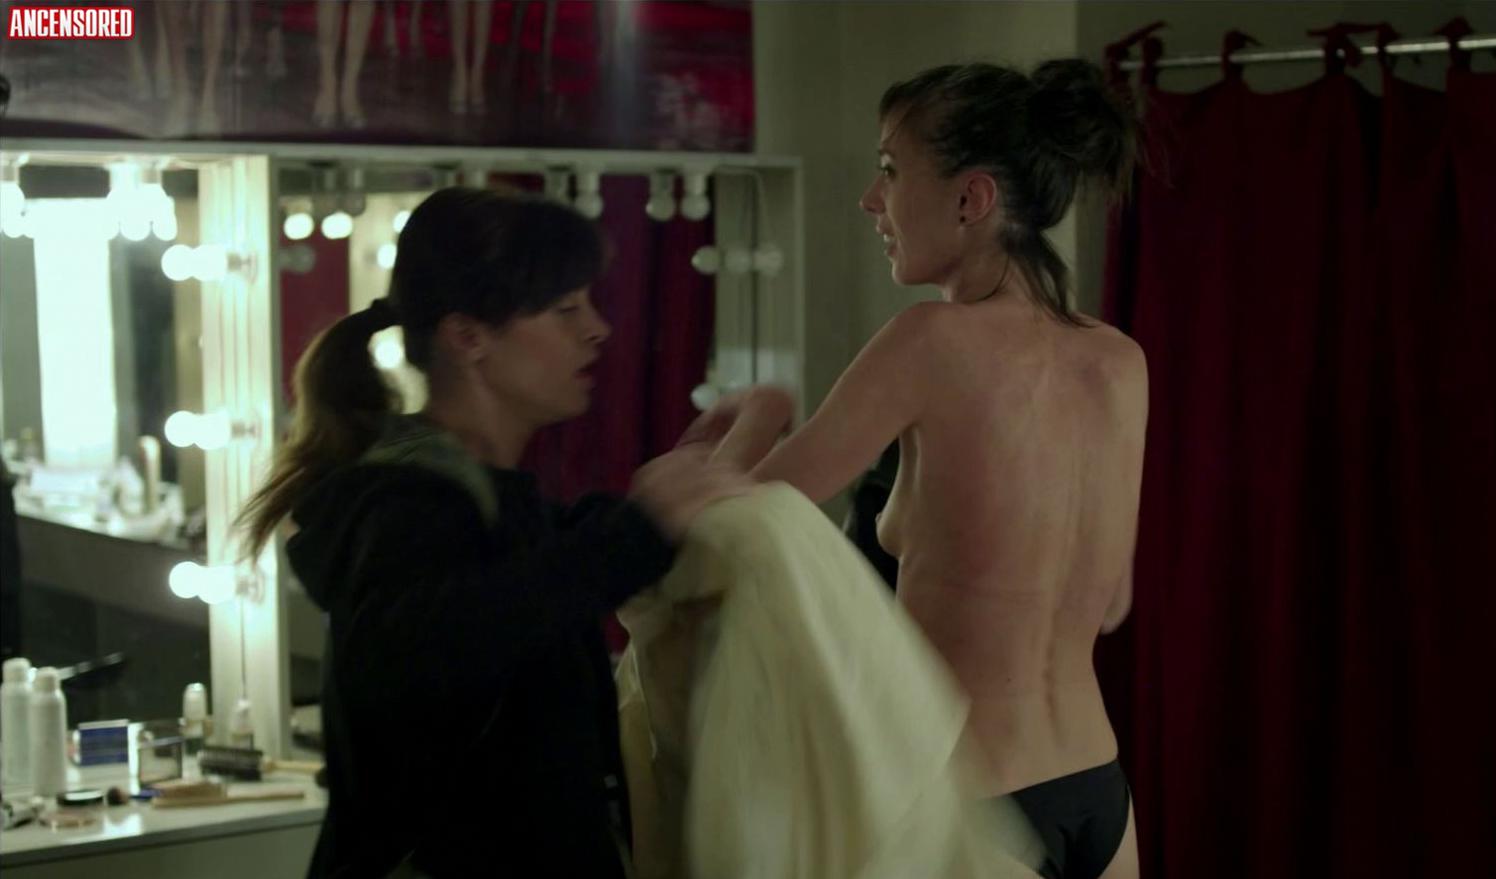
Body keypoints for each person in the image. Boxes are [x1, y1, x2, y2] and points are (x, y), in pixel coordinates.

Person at [700, 60, 1147, 879]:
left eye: (889, 170)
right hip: (1098, 788)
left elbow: (736, 518)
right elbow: (1112, 601)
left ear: (971, 199)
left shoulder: (930, 342)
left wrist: (757, 414)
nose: (871, 200)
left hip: (975, 799)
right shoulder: (1120, 360)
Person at [237, 186, 749, 877]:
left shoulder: (493, 509)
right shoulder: (405, 508)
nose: (597, 328)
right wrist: (632, 536)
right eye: (565, 309)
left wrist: (666, 503)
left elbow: (536, 570)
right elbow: (434, 639)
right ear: (468, 337)